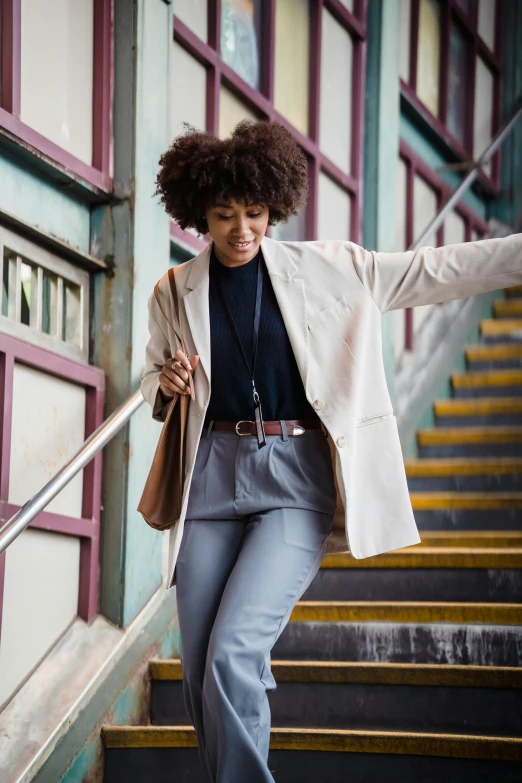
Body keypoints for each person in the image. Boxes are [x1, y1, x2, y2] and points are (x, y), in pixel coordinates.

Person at [140, 119, 522, 783]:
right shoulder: (174, 291)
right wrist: (164, 382)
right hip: (209, 482)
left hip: (293, 483)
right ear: (197, 211)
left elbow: (435, 269)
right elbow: (152, 377)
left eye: (254, 214)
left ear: (274, 208)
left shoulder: (332, 269)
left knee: (233, 652)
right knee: (202, 661)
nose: (241, 230)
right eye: (225, 215)